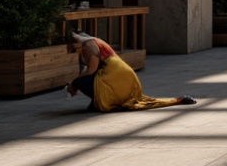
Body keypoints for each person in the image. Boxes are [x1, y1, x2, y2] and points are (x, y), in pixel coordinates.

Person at [64, 30, 195, 112]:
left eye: (72, 48)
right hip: (122, 75)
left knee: (79, 82)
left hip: (115, 77)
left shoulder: (89, 46)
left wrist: (73, 84)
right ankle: (97, 102)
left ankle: (105, 101)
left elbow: (91, 71)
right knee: (81, 81)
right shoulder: (93, 41)